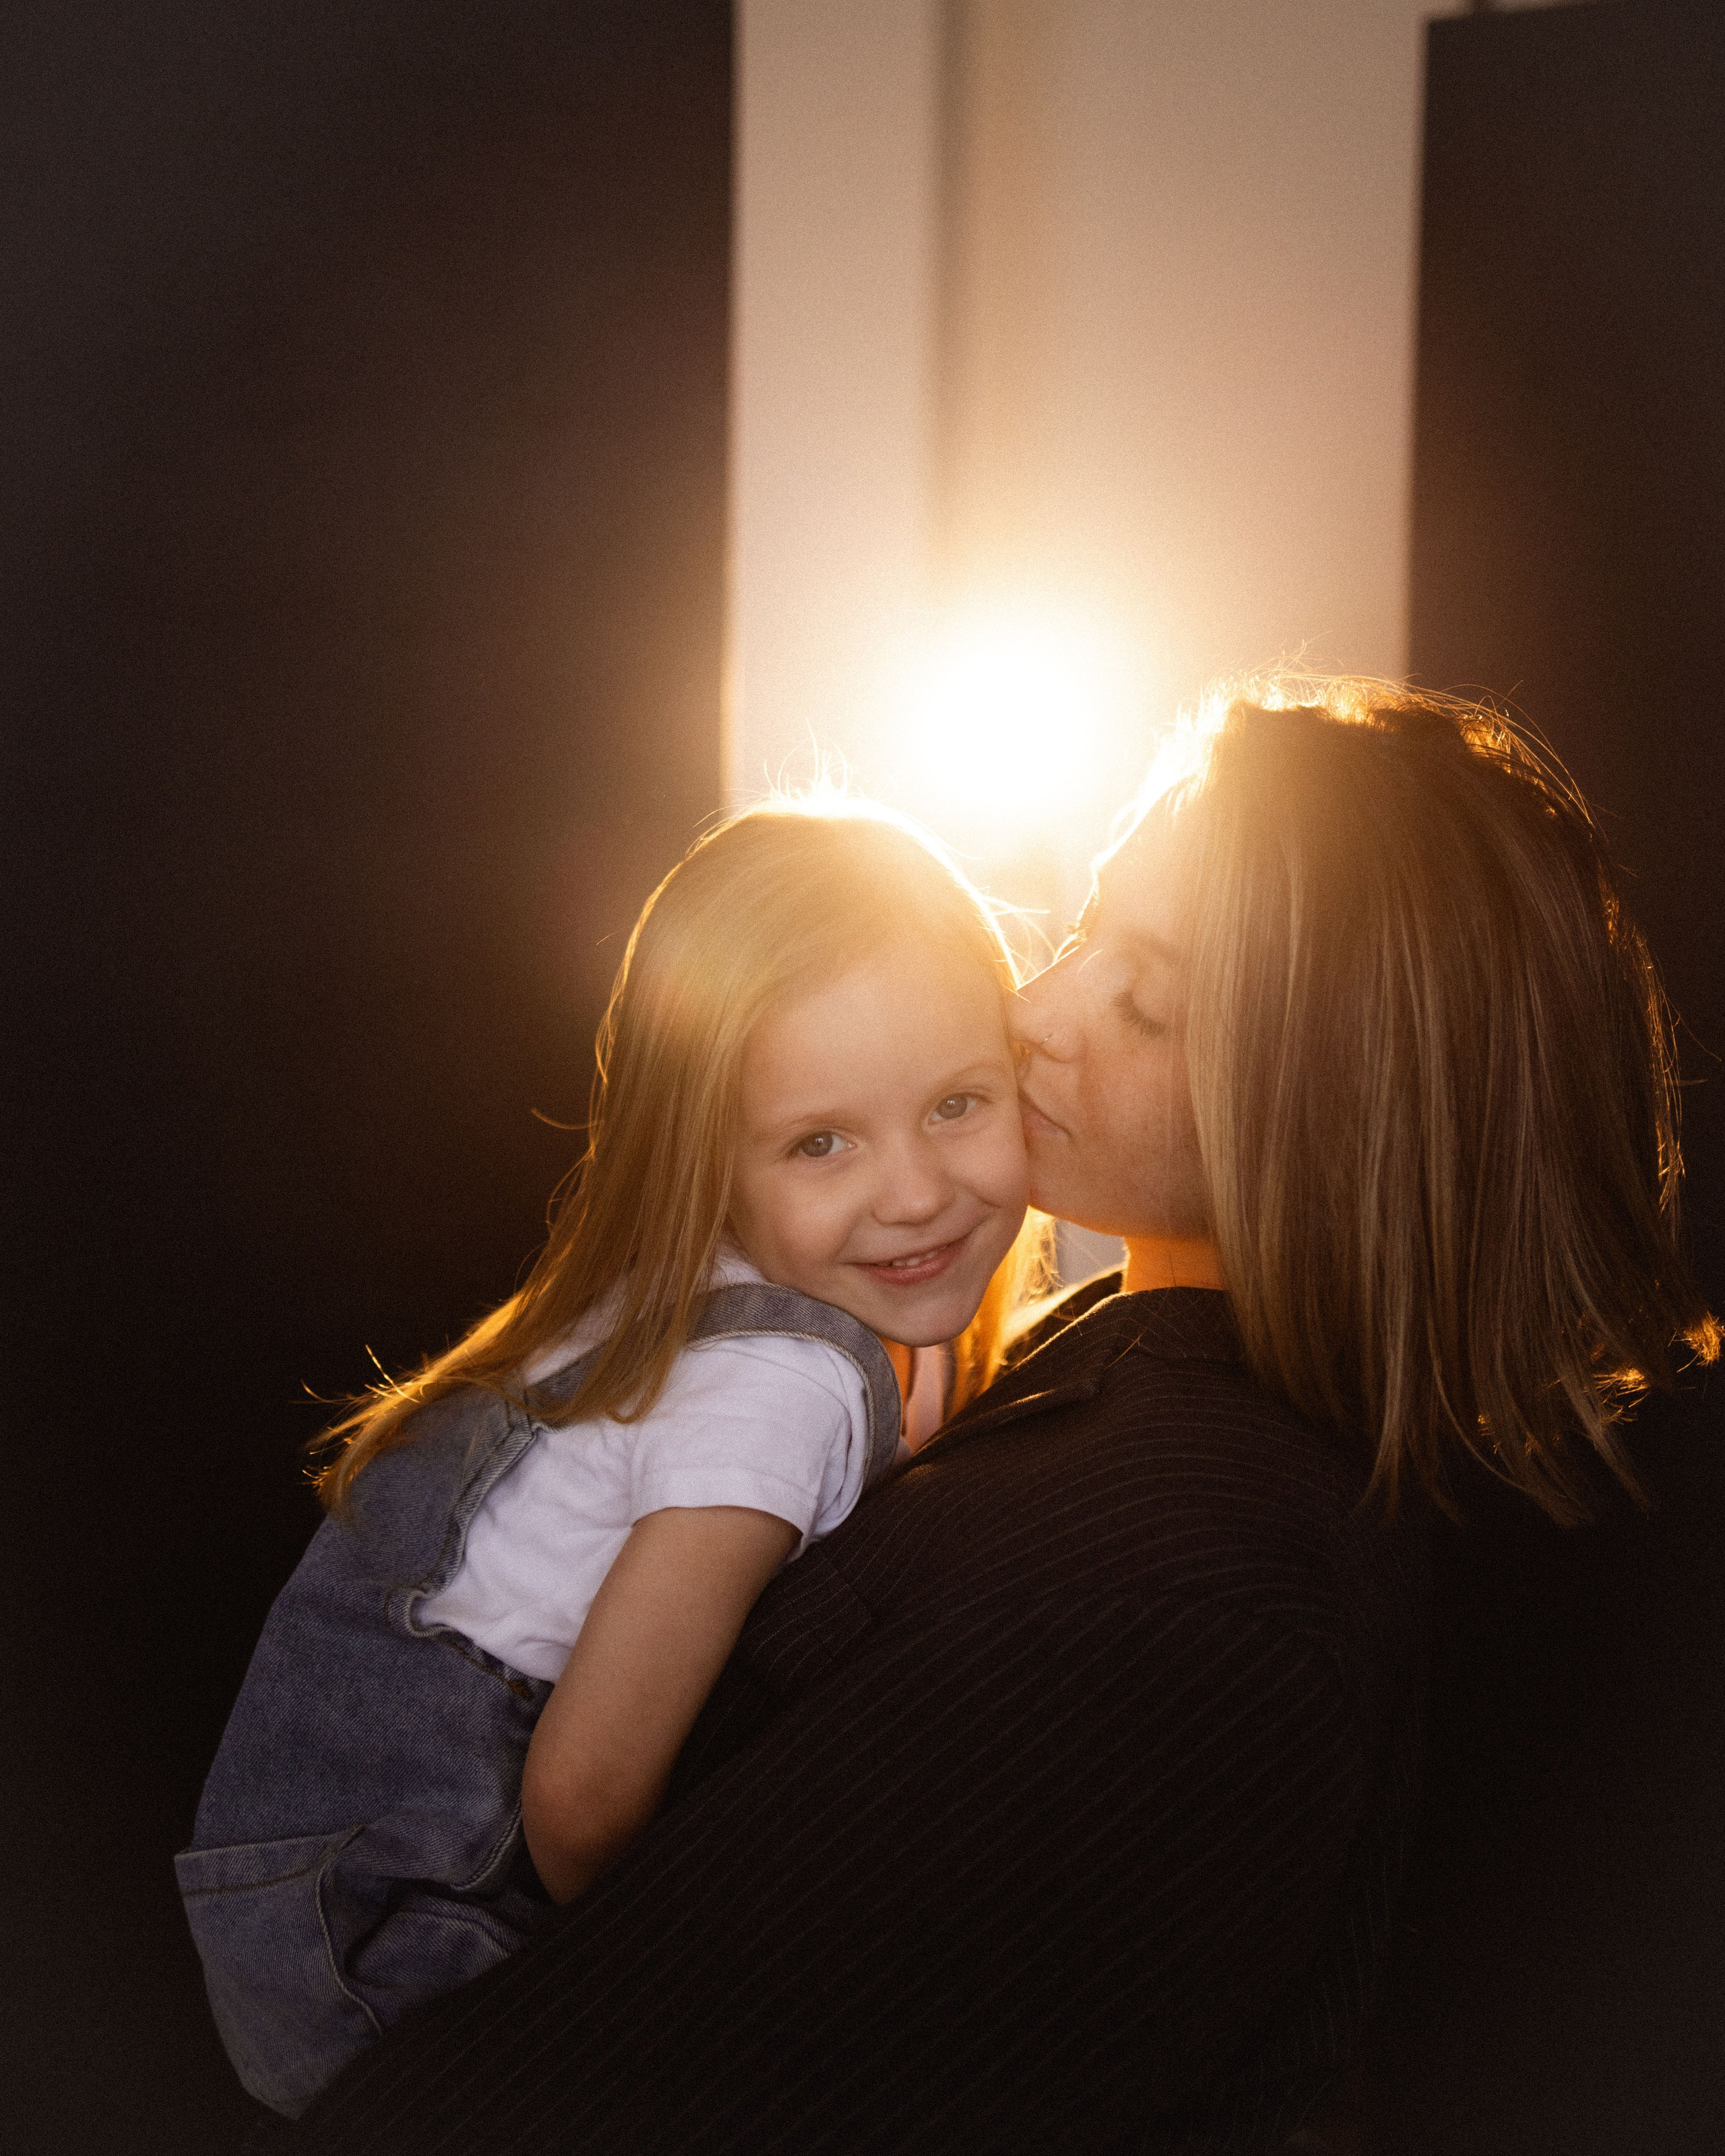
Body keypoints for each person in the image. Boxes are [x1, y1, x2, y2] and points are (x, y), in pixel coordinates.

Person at [259, 684, 1716, 2156]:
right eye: (1086, 932)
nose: (1037, 1009)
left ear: (1324, 1100)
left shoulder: (1192, 1598)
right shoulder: (1080, 1366)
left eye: (1142, 998)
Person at [177, 800, 1046, 2118]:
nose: (913, 1190)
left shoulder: (717, 1282)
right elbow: (582, 1798)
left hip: (302, 1884)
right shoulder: (783, 1384)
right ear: (712, 1157)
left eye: (955, 1104)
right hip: (412, 1931)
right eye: (821, 1140)